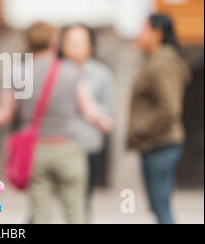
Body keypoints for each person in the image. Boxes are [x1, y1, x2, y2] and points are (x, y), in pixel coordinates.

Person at [0, 22, 88, 224]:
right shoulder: (72, 71)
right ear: (54, 42)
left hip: (36, 150)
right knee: (75, 211)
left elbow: (6, 113)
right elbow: (88, 109)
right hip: (68, 147)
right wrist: (104, 121)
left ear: (27, 44)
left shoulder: (18, 72)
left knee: (40, 213)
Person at [127, 13, 191, 224]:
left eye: (144, 29)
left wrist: (141, 129)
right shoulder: (156, 61)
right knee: (158, 206)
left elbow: (169, 108)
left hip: (160, 143)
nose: (139, 35)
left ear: (157, 34)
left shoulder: (162, 63)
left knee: (161, 207)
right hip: (156, 144)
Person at [59, 24, 114, 221]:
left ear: (90, 46)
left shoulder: (102, 73)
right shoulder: (55, 71)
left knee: (84, 196)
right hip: (59, 143)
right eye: (70, 42)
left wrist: (95, 114)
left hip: (88, 144)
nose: (75, 47)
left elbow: (108, 109)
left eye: (80, 42)